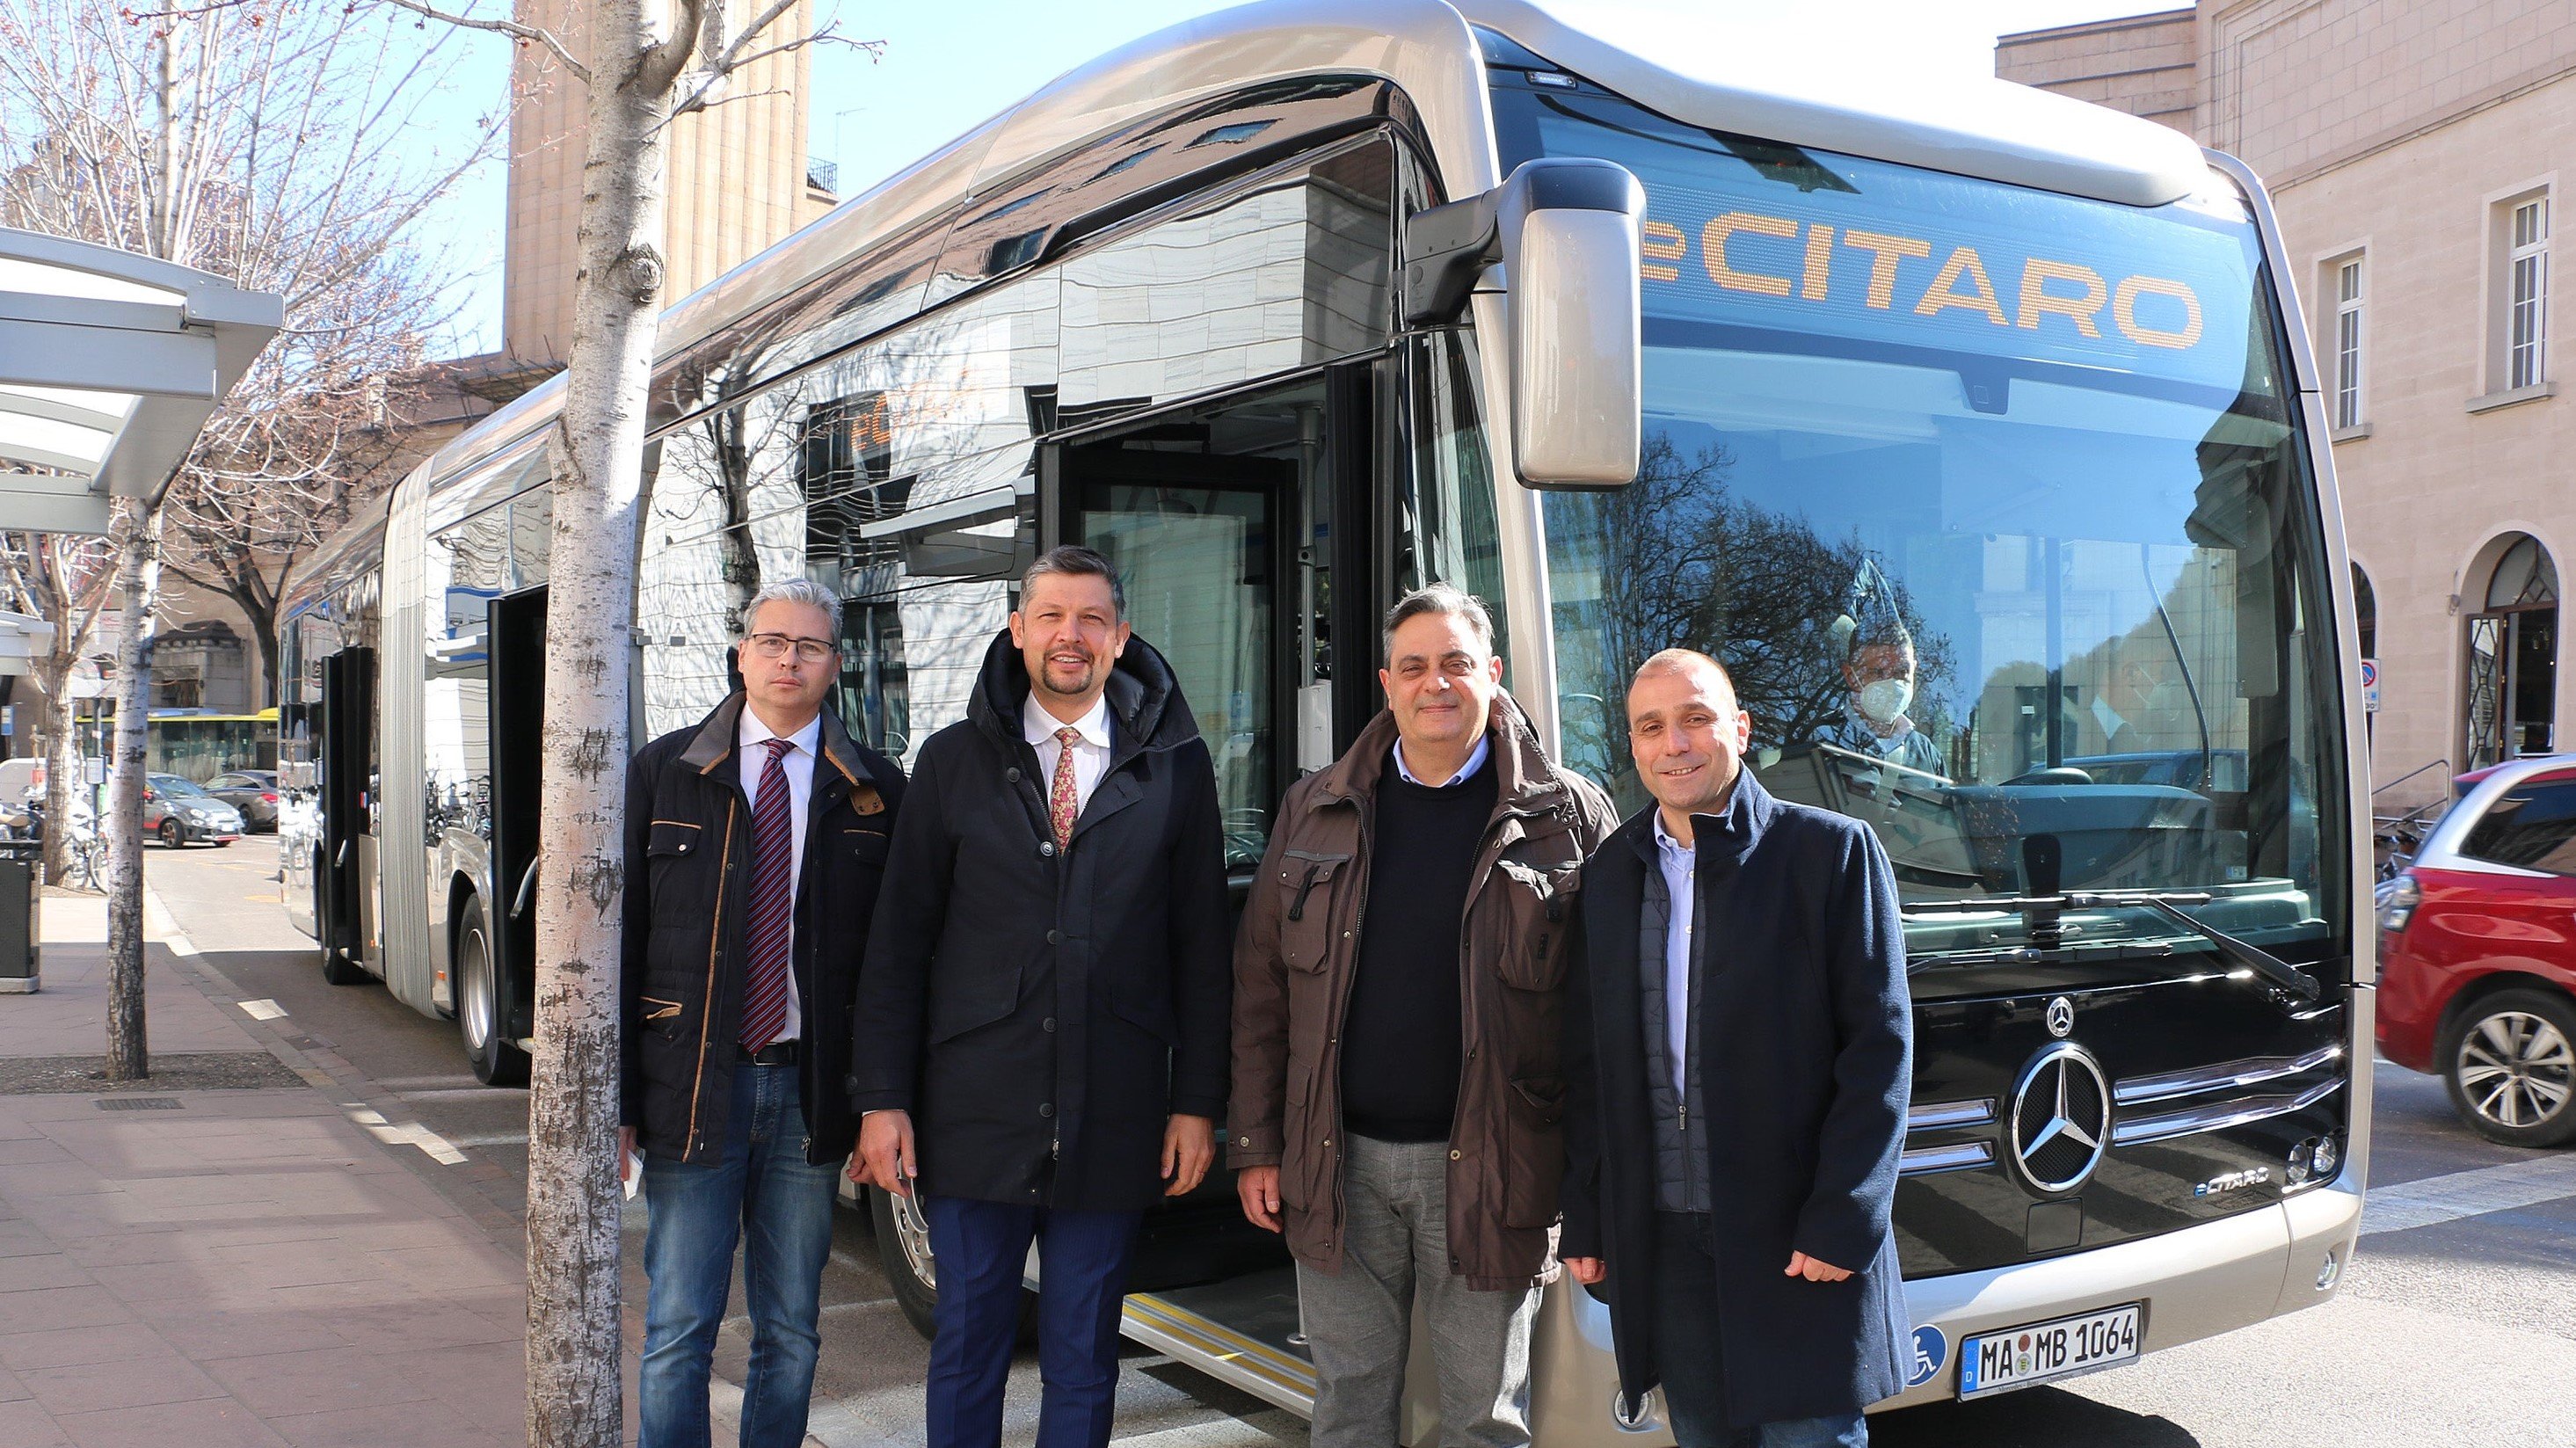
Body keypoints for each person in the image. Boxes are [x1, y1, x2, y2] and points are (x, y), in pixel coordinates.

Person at [850, 546, 1232, 1448]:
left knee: (1082, 1354)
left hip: (1113, 1111)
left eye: (1092, 618)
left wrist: (1196, 1105)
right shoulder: (950, 763)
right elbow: (897, 944)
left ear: (1120, 636)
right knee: (970, 1343)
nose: (1071, 636)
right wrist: (881, 1100)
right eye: (1051, 616)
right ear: (1017, 630)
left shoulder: (1174, 764)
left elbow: (1203, 950)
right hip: (971, 1111)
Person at [1231, 584, 1615, 1448]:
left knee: (1482, 1420)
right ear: (1385, 682)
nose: (1433, 683)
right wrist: (1256, 1145)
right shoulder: (1314, 808)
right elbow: (1260, 992)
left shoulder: (1570, 818)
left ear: (1492, 673)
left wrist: (1592, 1181)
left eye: (1453, 663)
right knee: (1348, 1406)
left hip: (1497, 1168)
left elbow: (1607, 1022)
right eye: (1413, 667)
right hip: (1337, 1164)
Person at [1561, 649, 1912, 1448]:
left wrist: (1845, 1215)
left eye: (1695, 718)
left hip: (1796, 1233)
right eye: (1651, 727)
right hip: (1666, 1236)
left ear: (1740, 729)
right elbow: (1588, 1064)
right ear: (1633, 744)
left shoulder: (1831, 853)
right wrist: (1586, 1214)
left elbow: (1879, 1053)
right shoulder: (1611, 874)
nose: (1674, 743)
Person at [619, 578, 906, 1448]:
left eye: (810, 646)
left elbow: (893, 969)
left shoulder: (877, 791)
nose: (789, 659)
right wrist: (623, 1105)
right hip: (690, 1090)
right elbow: (621, 942)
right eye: (772, 641)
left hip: (805, 1101)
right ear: (741, 653)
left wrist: (876, 1101)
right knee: (677, 1329)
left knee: (791, 1330)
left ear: (835, 664)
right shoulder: (665, 772)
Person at [1813, 622, 1943, 780]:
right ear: (1850, 676)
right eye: (1877, 672)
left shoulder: (1927, 752)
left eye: (1902, 672)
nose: (1892, 683)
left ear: (1914, 670)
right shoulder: (1819, 738)